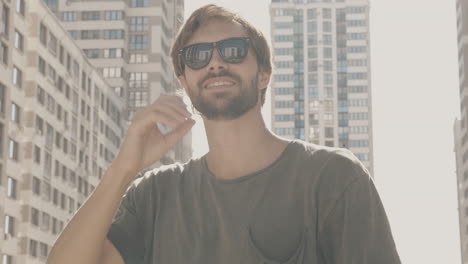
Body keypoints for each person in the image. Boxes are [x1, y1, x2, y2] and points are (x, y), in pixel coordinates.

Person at [48, 4, 401, 264]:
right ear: (185, 82)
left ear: (263, 74)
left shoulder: (333, 177)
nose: (215, 63)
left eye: (233, 51)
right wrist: (123, 169)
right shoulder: (154, 195)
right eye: (198, 55)